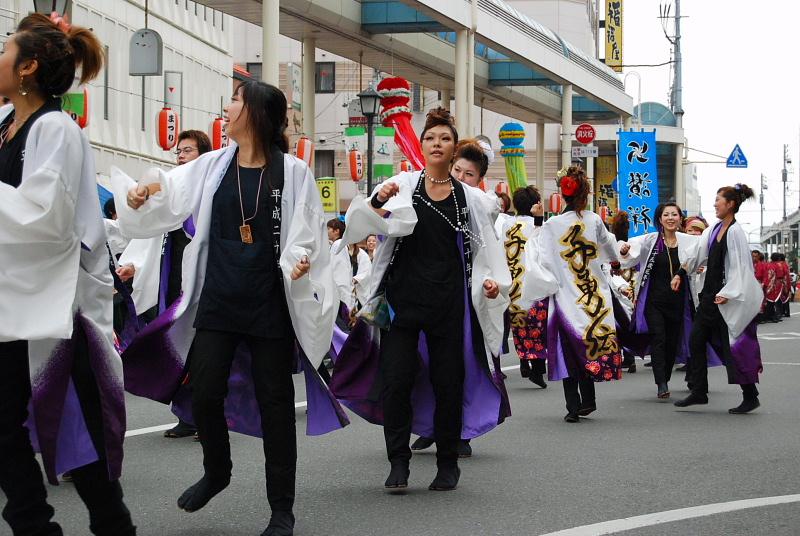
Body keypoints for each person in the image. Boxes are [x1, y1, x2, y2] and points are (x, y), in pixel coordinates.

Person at [112, 81, 348, 536]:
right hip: (219, 300)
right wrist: (142, 192)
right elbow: (169, 188)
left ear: (257, 112)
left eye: (237, 99)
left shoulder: (293, 172)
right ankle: (217, 471)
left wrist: (299, 261)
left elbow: (307, 233)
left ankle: (282, 509)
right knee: (203, 393)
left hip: (269, 306)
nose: (228, 106)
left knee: (276, 406)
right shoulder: (213, 165)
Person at [0, 13, 136, 535]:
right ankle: (35, 525)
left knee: (78, 431)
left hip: (57, 306)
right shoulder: (7, 123)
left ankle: (112, 526)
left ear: (28, 67)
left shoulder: (54, 128)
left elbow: (47, 216)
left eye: (6, 50)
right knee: (8, 426)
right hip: (16, 301)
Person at [331, 107, 510, 491]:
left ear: (454, 147)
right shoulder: (404, 184)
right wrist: (378, 198)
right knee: (395, 383)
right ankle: (398, 461)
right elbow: (363, 218)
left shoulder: (469, 198)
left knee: (448, 385)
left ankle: (447, 463)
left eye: (445, 138)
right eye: (430, 138)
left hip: (449, 306)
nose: (437, 144)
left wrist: (492, 283)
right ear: (423, 145)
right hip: (401, 306)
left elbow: (485, 252)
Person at [115, 129, 212, 440]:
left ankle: (207, 417)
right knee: (178, 349)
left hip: (204, 284)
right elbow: (150, 234)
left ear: (203, 155)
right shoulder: (170, 191)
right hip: (174, 284)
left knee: (202, 352)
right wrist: (133, 264)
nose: (181, 156)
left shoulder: (210, 188)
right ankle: (188, 414)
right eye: (179, 151)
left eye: (188, 150)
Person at [520, 166, 623, 423]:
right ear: (585, 194)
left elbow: (538, 255)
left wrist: (538, 221)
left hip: (564, 296)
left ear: (562, 194)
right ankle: (588, 400)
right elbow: (609, 246)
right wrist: (615, 261)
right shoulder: (594, 220)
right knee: (587, 344)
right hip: (592, 295)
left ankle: (573, 406)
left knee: (567, 349)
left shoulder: (552, 225)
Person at [674, 184, 764, 414]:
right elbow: (698, 252)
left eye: (718, 200)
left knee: (732, 347)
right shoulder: (714, 228)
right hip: (710, 297)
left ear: (730, 204)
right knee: (696, 340)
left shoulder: (735, 231)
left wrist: (728, 293)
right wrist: (680, 273)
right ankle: (699, 391)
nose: (715, 204)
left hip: (726, 299)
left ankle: (750, 395)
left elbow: (741, 268)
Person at [619, 202, 699, 399]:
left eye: (674, 214)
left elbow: (701, 257)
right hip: (654, 301)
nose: (670, 218)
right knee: (658, 338)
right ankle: (661, 383)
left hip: (678, 303)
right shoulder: (650, 241)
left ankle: (665, 375)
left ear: (680, 218)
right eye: (666, 215)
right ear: (660, 219)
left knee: (671, 343)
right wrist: (624, 251)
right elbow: (629, 256)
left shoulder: (688, 241)